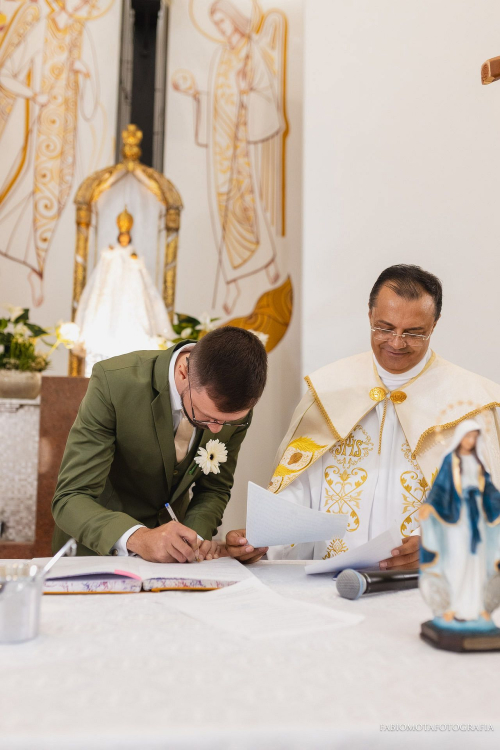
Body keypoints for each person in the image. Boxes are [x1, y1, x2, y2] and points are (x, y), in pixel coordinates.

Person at [226, 264, 500, 568]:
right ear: (370, 315)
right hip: (331, 582)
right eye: (385, 328)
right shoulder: (330, 390)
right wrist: (265, 536)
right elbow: (300, 489)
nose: (396, 342)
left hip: (423, 583)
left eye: (413, 333)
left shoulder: (469, 404)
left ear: (433, 326)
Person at [52, 327, 268, 562]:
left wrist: (192, 541)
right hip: (96, 555)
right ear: (183, 372)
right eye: (207, 417)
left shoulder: (233, 412)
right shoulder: (114, 382)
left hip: (173, 565)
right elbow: (71, 497)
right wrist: (139, 537)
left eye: (228, 422)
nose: (217, 429)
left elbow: (214, 489)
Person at [74, 208, 174, 376]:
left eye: (126, 236)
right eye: (122, 236)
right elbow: (102, 273)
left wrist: (133, 260)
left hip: (131, 296)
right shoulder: (111, 253)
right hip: (111, 294)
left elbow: (140, 272)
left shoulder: (133, 254)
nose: (124, 239)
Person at [420, 420, 500, 626]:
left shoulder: (478, 462)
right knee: (456, 557)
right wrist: (430, 506)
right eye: (467, 436)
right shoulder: (451, 460)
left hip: (476, 517)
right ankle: (453, 606)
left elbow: (489, 489)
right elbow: (440, 487)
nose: (470, 441)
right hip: (457, 517)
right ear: (460, 437)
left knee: (477, 560)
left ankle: (478, 607)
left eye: (474, 437)